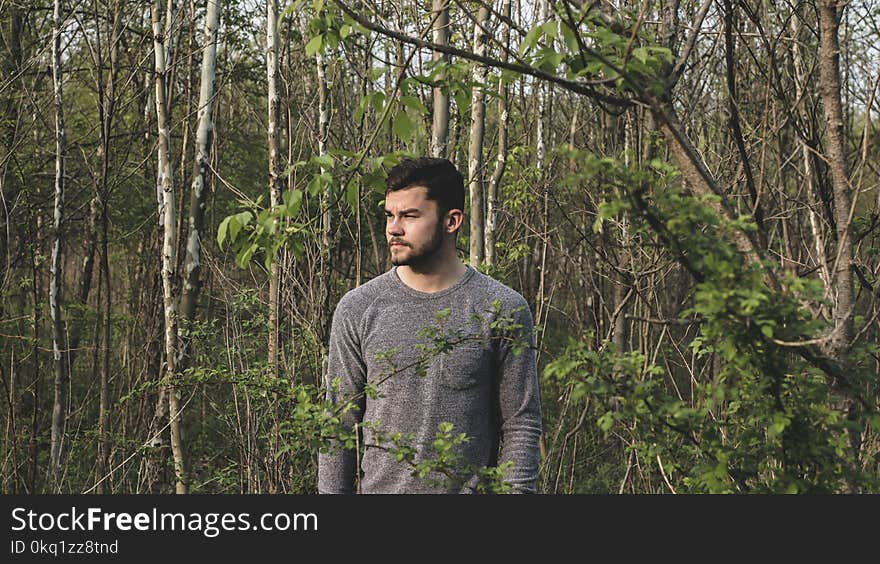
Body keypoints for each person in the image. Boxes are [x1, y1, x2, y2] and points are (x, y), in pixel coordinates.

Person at [317, 157, 542, 493]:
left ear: (451, 221)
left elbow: (521, 422)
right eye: (389, 215)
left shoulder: (502, 309)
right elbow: (339, 424)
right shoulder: (359, 308)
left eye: (409, 215)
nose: (394, 228)